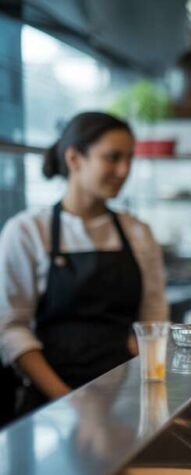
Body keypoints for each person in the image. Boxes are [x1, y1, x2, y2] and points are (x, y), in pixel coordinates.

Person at [0, 111, 167, 415]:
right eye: (113, 157)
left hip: (125, 403)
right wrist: (69, 401)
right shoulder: (27, 231)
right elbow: (11, 329)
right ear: (75, 158)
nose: (124, 170)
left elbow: (154, 320)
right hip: (50, 407)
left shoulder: (138, 233)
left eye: (129, 158)